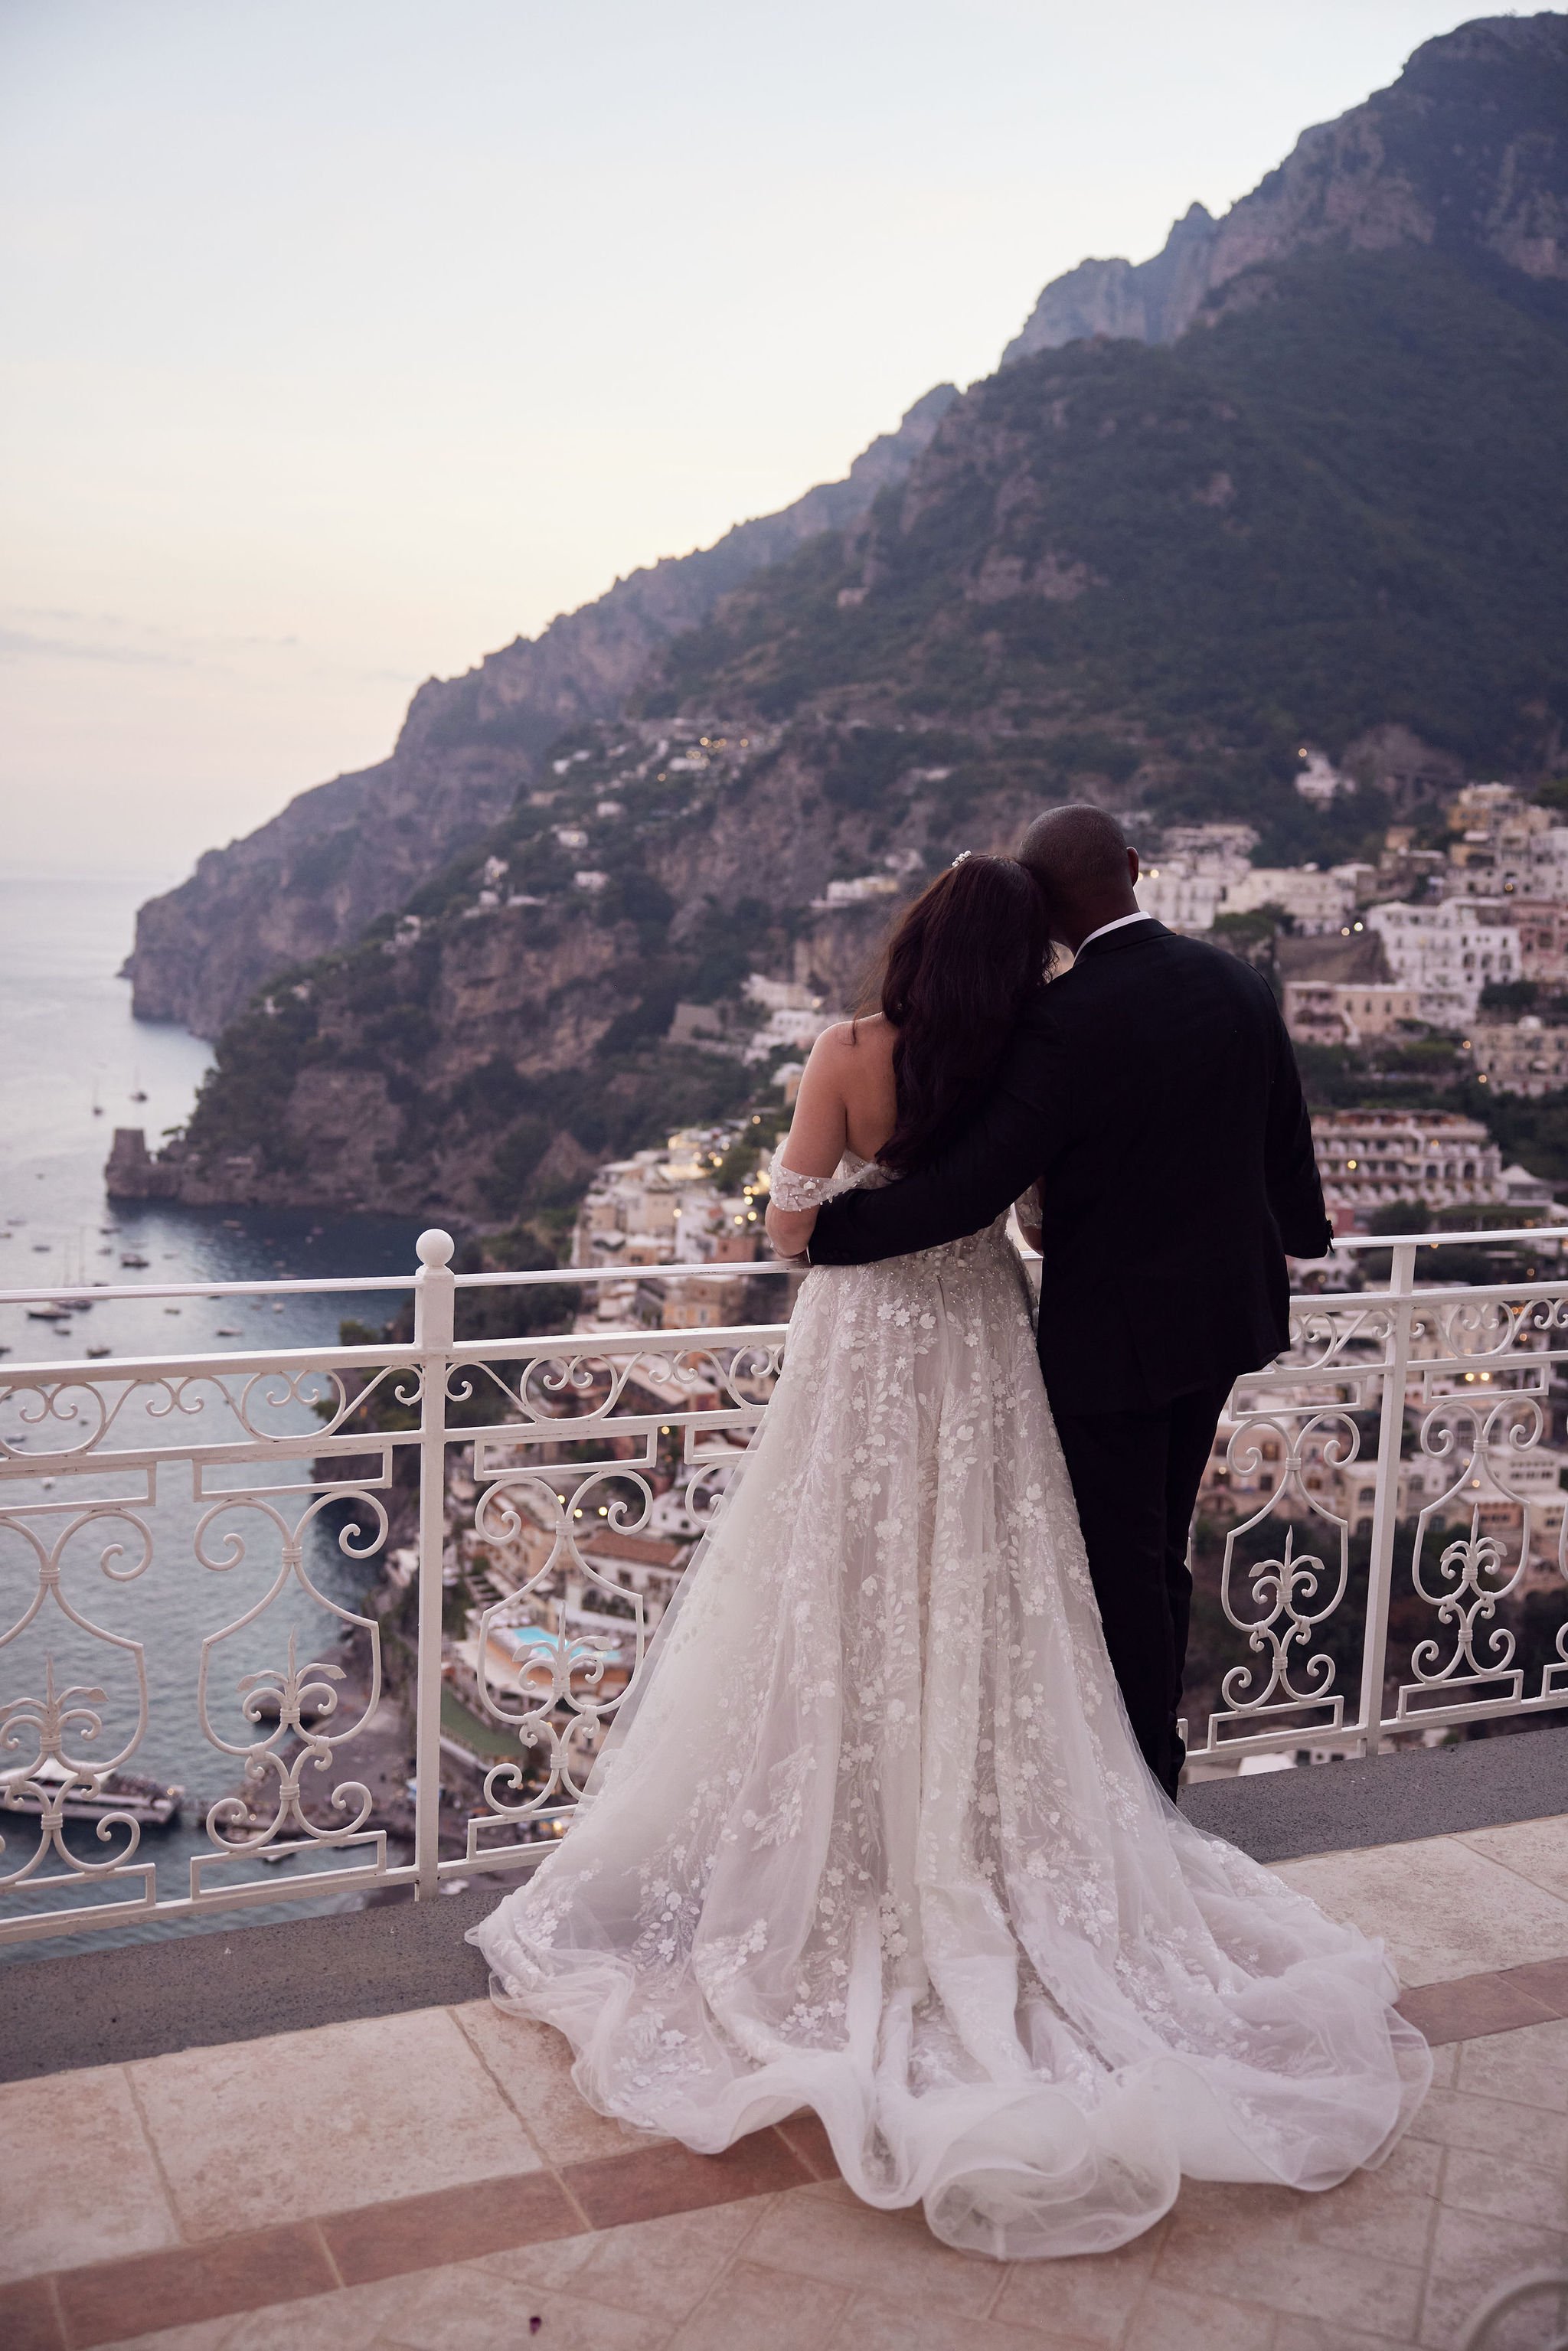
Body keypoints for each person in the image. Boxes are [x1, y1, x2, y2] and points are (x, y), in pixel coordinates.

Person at [470, 844, 1425, 2261]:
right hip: (1154, 1322)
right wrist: (1289, 1236)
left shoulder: (924, 1043)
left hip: (968, 1338)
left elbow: (914, 1197)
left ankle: (940, 1811)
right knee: (1050, 1570)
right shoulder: (1210, 982)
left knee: (870, 1578)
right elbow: (1236, 1160)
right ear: (1122, 881)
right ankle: (1126, 1799)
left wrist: (818, 1231)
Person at [806, 806, 1331, 1799]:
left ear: (1044, 914)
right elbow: (1285, 1146)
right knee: (1162, 1546)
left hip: (1116, 1340)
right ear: (1136, 866)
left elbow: (969, 1189)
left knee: (1119, 1564)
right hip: (1227, 1317)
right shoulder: (1238, 979)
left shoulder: (1065, 1018)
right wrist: (1302, 1239)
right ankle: (1150, 1773)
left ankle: (1139, 1788)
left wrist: (827, 1230)